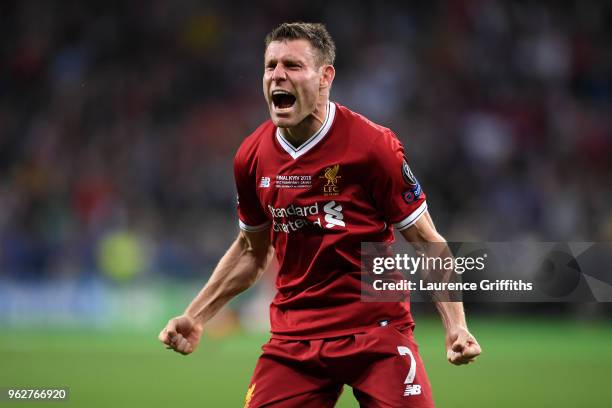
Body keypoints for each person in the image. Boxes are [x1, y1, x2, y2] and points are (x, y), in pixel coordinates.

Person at [159, 22, 481, 407]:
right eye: (270, 66)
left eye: (292, 65)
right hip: (294, 340)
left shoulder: (372, 147)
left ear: (325, 76)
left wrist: (456, 326)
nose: (277, 75)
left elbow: (428, 243)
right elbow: (251, 251)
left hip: (375, 332)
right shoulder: (252, 156)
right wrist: (196, 316)